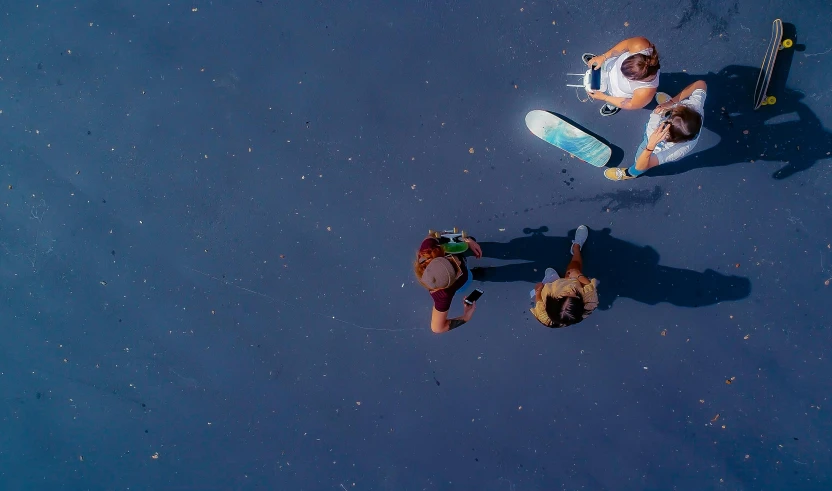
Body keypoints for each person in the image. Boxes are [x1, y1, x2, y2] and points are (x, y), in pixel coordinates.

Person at [604, 80, 707, 181]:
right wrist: (671, 103)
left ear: (668, 136)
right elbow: (700, 84)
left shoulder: (675, 151)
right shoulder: (695, 107)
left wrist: (650, 146)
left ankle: (629, 174)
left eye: (666, 120)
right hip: (663, 125)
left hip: (653, 143)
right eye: (672, 113)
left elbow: (642, 166)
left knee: (640, 162)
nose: (666, 115)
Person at [530, 225, 599, 328]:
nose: (571, 291)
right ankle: (576, 247)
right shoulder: (589, 301)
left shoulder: (543, 315)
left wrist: (538, 291)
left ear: (549, 304)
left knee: (548, 280)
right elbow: (589, 285)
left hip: (550, 287)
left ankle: (552, 278)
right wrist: (578, 275)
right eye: (575, 295)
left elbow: (539, 301)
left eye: (565, 295)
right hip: (572, 280)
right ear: (581, 304)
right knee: (575, 265)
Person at [414, 233, 483, 333]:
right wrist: (466, 317)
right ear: (450, 284)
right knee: (468, 278)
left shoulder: (428, 249)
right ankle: (472, 275)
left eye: (450, 260)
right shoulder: (443, 295)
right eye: (457, 270)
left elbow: (433, 235)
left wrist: (465, 239)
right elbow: (437, 328)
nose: (458, 262)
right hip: (463, 283)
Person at [583, 36, 661, 116]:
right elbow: (627, 44)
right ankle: (600, 61)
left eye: (626, 76)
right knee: (604, 61)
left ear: (636, 79)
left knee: (615, 99)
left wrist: (604, 97)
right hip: (610, 65)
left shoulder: (645, 92)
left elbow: (630, 104)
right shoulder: (640, 45)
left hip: (615, 92)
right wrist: (603, 57)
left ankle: (612, 102)